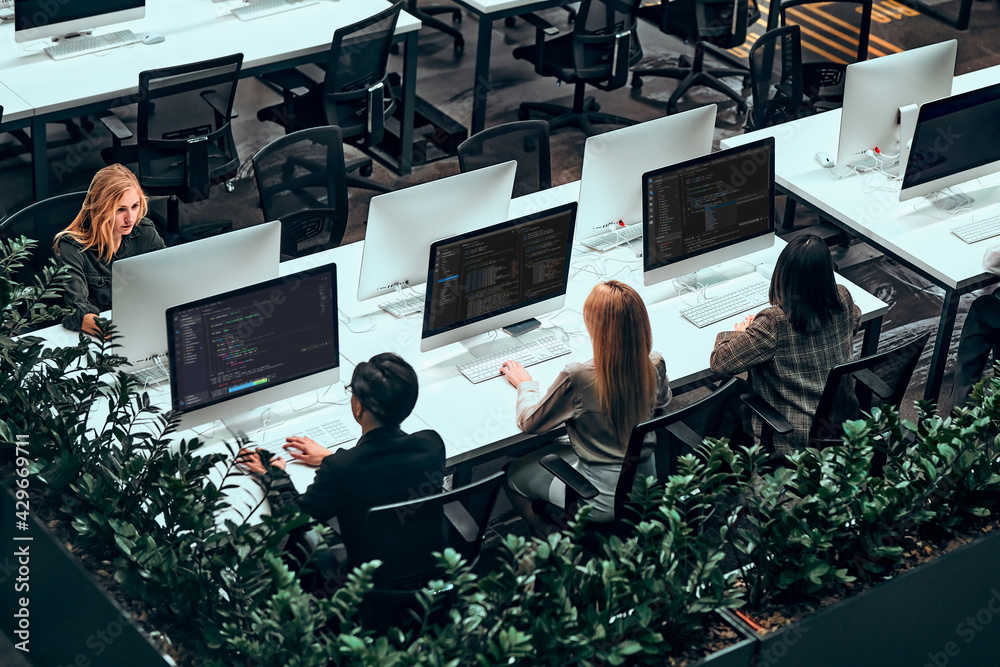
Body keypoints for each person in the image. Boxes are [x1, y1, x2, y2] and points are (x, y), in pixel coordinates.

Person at [236, 353, 446, 567]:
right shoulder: (432, 444)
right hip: (436, 577)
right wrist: (332, 457)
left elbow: (293, 520)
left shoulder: (342, 469)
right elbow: (384, 468)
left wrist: (274, 475)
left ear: (358, 407)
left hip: (369, 588)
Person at [500, 280, 671, 524]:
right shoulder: (654, 363)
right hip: (645, 485)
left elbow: (530, 424)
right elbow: (662, 400)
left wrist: (524, 384)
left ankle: (550, 546)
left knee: (513, 473)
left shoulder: (578, 377)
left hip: (598, 498)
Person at [710, 234, 861, 456]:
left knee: (727, 390)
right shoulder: (842, 298)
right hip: (842, 425)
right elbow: (855, 321)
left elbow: (719, 362)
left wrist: (743, 331)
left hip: (796, 438)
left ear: (782, 276)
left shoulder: (775, 323)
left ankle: (715, 465)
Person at [53, 164, 165, 336]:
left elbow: (170, 274)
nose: (131, 218)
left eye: (135, 206)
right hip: (99, 335)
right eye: (120, 209)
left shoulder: (144, 231)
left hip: (140, 318)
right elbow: (78, 313)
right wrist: (125, 333)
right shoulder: (72, 247)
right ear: (101, 208)